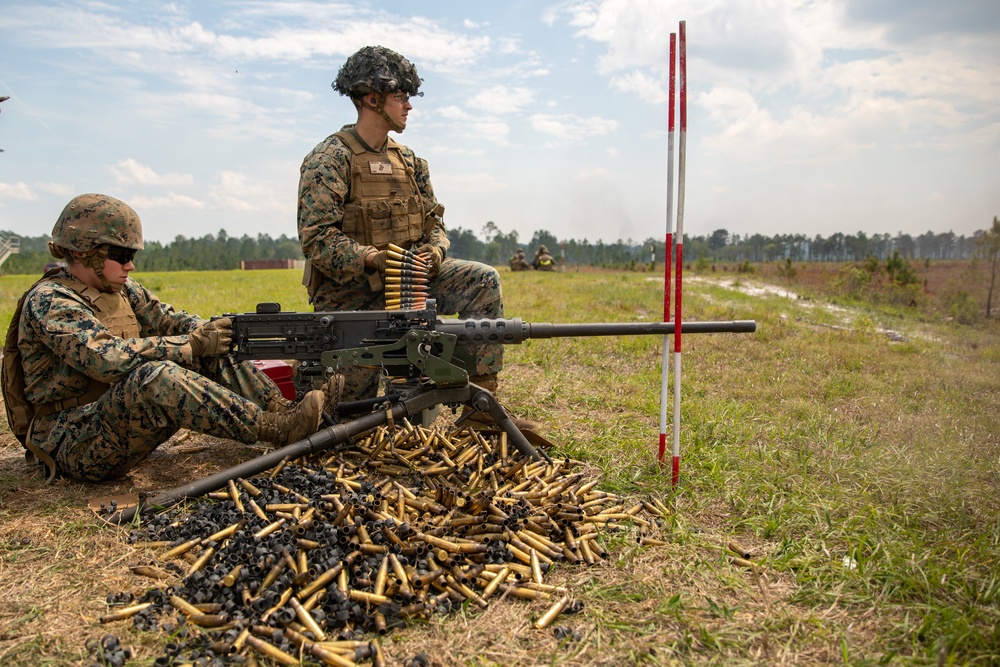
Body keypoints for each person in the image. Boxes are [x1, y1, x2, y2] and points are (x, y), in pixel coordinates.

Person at [3, 194, 328, 482]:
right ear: (88, 252)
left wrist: (211, 333)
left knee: (210, 342)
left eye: (133, 254)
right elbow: (105, 359)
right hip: (72, 441)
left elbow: (170, 320)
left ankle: (283, 409)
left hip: (109, 420)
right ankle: (275, 429)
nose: (130, 264)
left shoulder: (121, 290)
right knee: (157, 377)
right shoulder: (50, 301)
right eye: (121, 253)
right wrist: (192, 344)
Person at [297, 45, 517, 418]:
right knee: (349, 419)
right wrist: (371, 257)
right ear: (372, 98)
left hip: (411, 285)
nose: (409, 106)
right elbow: (317, 238)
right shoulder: (330, 158)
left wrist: (435, 251)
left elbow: (436, 225)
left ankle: (478, 411)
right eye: (401, 97)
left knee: (483, 280)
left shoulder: (410, 161)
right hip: (352, 298)